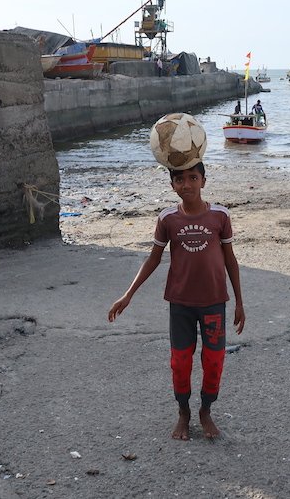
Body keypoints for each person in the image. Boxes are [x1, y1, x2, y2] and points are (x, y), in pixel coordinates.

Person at [108, 161, 246, 441]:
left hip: (213, 303)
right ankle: (183, 412)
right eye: (180, 180)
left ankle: (206, 411)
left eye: (193, 178)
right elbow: (154, 258)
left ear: (204, 181)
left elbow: (230, 260)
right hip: (180, 304)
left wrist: (239, 302)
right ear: (172, 186)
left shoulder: (220, 216)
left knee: (215, 360)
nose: (187, 185)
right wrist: (128, 294)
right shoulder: (167, 219)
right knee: (180, 361)